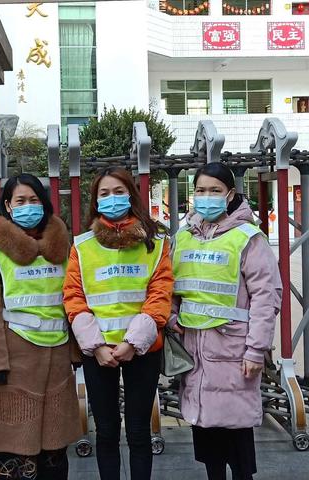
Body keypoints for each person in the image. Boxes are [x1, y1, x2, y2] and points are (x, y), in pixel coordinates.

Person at [170, 163, 282, 480]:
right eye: (201, 190)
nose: (207, 197)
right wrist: (172, 316)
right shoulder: (184, 238)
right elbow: (172, 290)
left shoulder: (248, 238)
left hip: (234, 352)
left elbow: (267, 297)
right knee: (207, 440)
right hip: (194, 352)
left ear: (230, 195)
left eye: (215, 191)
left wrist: (255, 351)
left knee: (237, 436)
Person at [63, 166, 174, 480]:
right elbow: (73, 296)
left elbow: (161, 292)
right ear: (95, 202)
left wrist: (132, 343)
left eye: (118, 192)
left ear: (131, 196)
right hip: (98, 353)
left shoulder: (155, 242)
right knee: (107, 431)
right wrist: (97, 347)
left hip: (141, 349)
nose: (111, 199)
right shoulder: (82, 246)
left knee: (140, 432)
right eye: (104, 194)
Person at [0, 173, 81, 480]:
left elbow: (72, 298)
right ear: (7, 205)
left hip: (57, 359)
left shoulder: (63, 248)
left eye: (34, 200)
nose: (28, 206)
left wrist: (75, 352)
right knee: (13, 448)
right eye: (20, 200)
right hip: (13, 360)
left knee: (54, 451)